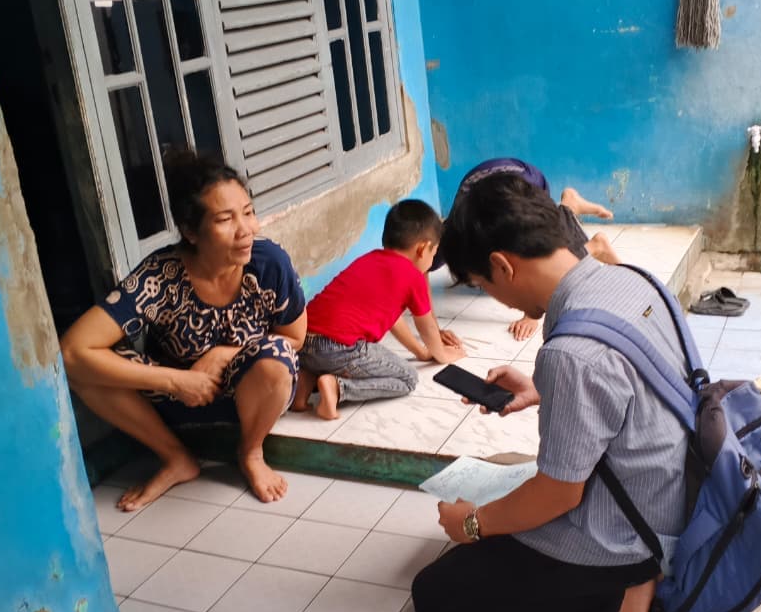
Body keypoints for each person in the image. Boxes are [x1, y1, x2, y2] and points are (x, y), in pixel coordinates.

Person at [410, 172, 715, 612]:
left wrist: (472, 524)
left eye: (484, 285)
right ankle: (637, 584)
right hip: (681, 492)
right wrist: (540, 389)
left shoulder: (570, 354)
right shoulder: (630, 280)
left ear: (502, 265)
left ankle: (631, 589)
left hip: (635, 534)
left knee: (435, 594)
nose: (496, 298)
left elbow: (559, 494)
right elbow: (635, 386)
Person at [61, 152, 305, 510]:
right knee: (88, 369)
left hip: (255, 399)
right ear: (191, 232)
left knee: (277, 357)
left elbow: (295, 338)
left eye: (248, 212)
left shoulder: (269, 263)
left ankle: (251, 452)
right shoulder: (160, 276)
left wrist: (224, 354)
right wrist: (177, 382)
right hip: (180, 400)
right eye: (225, 219)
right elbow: (71, 351)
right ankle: (176, 457)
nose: (246, 229)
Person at [292, 199, 467, 420]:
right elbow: (427, 328)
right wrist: (442, 355)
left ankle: (303, 389)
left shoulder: (369, 259)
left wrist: (422, 353)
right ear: (423, 249)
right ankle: (337, 388)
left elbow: (393, 320)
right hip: (340, 348)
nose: (432, 260)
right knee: (407, 378)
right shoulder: (413, 277)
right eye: (434, 253)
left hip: (303, 341)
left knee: (321, 356)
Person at [439, 158, 620, 340]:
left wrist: (531, 313)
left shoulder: (457, 239)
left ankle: (594, 246)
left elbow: (529, 263)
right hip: (520, 173)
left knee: (545, 250)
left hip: (517, 183)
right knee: (545, 233)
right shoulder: (459, 226)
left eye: (479, 283)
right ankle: (570, 205)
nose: (507, 306)